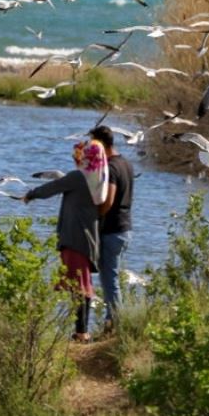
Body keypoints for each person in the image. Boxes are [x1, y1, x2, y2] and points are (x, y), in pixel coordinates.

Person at [22, 140, 104, 343]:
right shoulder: (97, 177)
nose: (76, 160)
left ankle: (82, 333)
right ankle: (82, 331)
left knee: (80, 288)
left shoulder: (79, 176)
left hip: (75, 238)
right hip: (88, 238)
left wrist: (30, 195)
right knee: (83, 284)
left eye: (78, 156)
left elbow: (52, 188)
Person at [89, 125, 134, 332]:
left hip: (113, 230)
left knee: (109, 279)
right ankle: (113, 320)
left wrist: (97, 214)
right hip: (125, 228)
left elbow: (109, 199)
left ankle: (114, 323)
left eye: (93, 143)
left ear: (100, 144)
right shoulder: (126, 163)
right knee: (110, 277)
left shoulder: (112, 167)